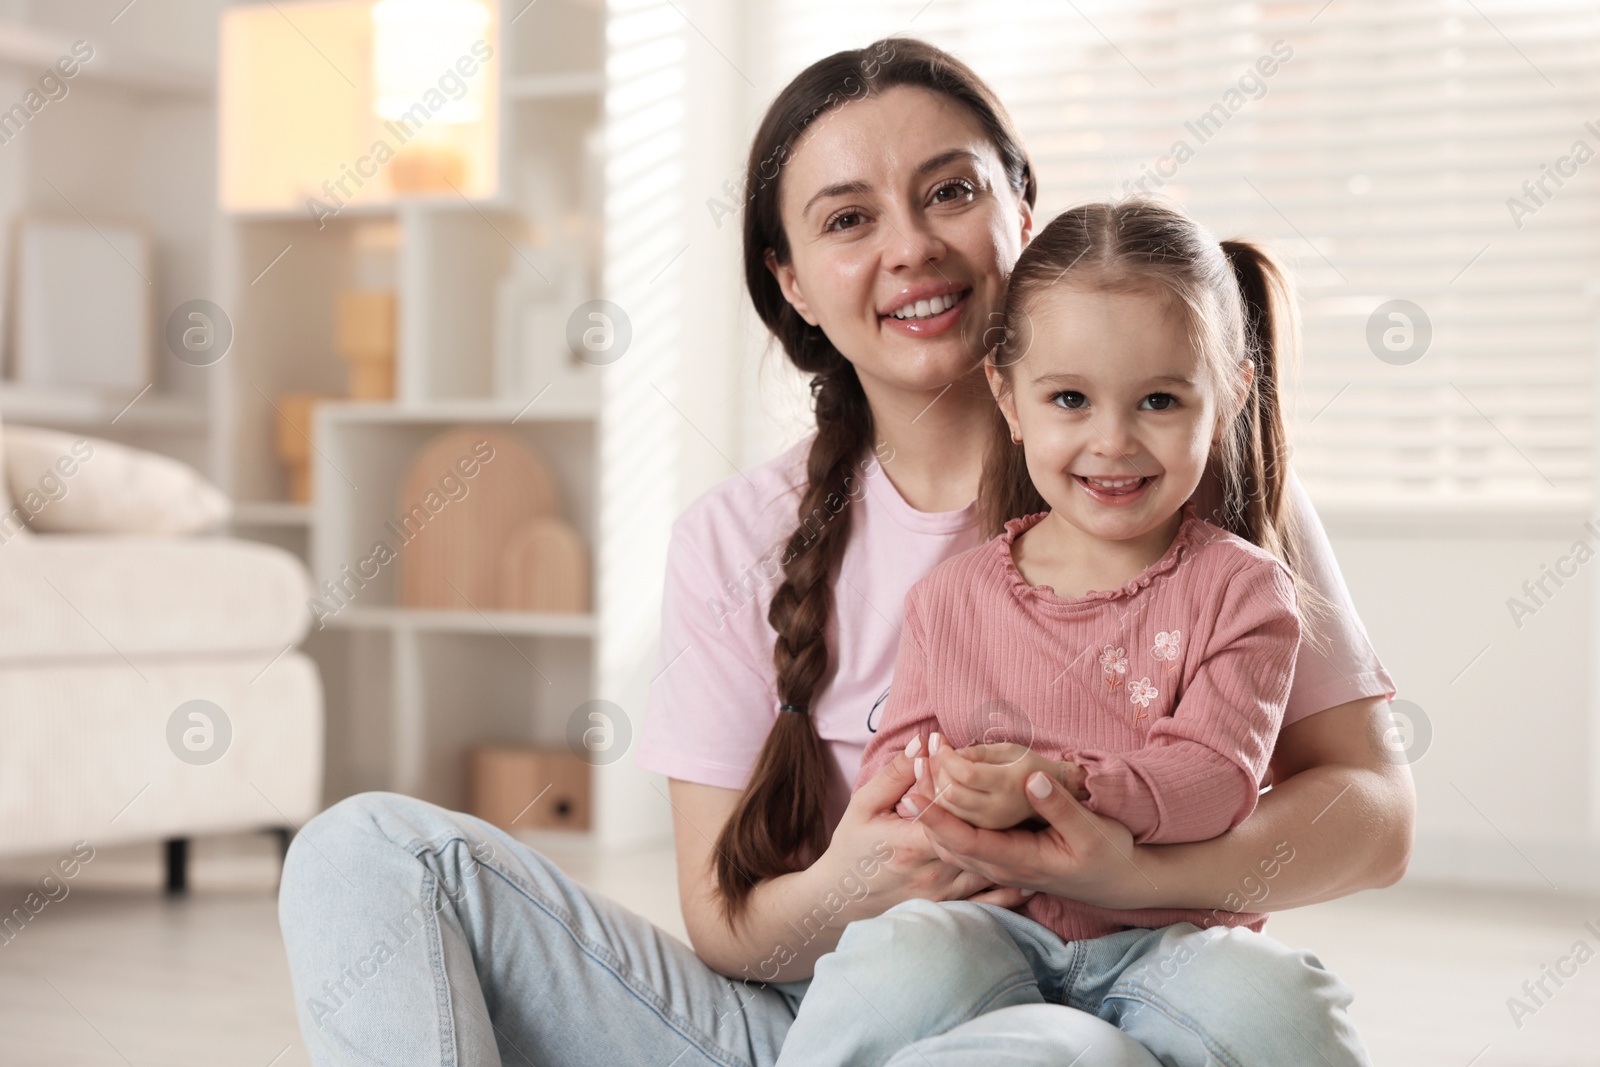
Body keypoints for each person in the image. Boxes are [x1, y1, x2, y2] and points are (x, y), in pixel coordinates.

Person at [277, 38, 1411, 1066]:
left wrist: (1132, 873)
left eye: (950, 191)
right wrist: (855, 886)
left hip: (1103, 1010)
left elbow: (1371, 812)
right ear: (791, 281)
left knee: (1057, 1048)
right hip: (831, 1015)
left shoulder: (1182, 483)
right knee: (363, 850)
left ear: (1024, 205)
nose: (911, 247)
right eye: (847, 217)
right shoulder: (736, 537)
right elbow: (726, 926)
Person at [771, 199, 1371, 1066]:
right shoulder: (949, 598)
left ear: (1231, 396)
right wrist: (946, 793)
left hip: (1172, 943)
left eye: (1160, 399)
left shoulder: (1246, 590)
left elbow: (1213, 779)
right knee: (887, 965)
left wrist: (1055, 787)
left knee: (1284, 1001)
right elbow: (900, 765)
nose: (1113, 440)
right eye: (1070, 400)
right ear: (1008, 400)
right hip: (989, 924)